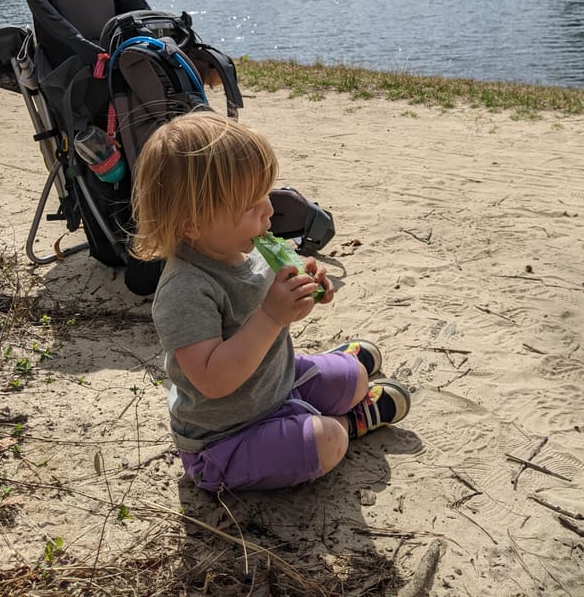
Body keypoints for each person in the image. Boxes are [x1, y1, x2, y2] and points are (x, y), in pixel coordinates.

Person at [131, 110, 411, 492]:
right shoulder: (184, 290)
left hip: (275, 382)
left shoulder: (248, 250)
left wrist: (307, 290)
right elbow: (213, 380)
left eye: (265, 194)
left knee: (356, 378)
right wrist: (272, 317)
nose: (269, 210)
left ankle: (338, 379)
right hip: (226, 436)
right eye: (250, 205)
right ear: (192, 224)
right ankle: (351, 423)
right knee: (328, 441)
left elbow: (275, 309)